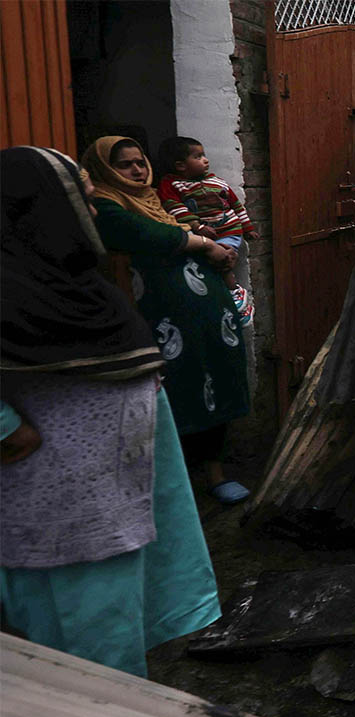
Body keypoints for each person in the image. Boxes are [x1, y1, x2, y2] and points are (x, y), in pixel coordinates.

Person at [0, 145, 221, 677]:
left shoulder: (62, 280)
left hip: (115, 493)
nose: (94, 213)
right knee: (73, 644)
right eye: (84, 199)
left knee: (115, 623)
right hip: (60, 505)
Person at [82, 136, 251, 505]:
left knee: (212, 378)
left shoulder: (155, 200)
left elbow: (180, 232)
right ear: (104, 170)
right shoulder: (104, 206)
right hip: (156, 317)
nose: (136, 170)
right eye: (125, 164)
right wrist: (203, 244)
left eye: (139, 161)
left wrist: (216, 253)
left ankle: (214, 473)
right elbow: (151, 235)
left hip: (203, 316)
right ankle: (172, 482)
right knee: (173, 387)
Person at [157, 137, 257, 325]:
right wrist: (198, 226)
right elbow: (174, 207)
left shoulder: (217, 182)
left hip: (229, 230)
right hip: (202, 233)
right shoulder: (171, 184)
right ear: (180, 165)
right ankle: (227, 295)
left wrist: (247, 228)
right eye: (198, 156)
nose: (206, 160)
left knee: (222, 258)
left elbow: (236, 205)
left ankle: (235, 293)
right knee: (210, 261)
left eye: (204, 155)